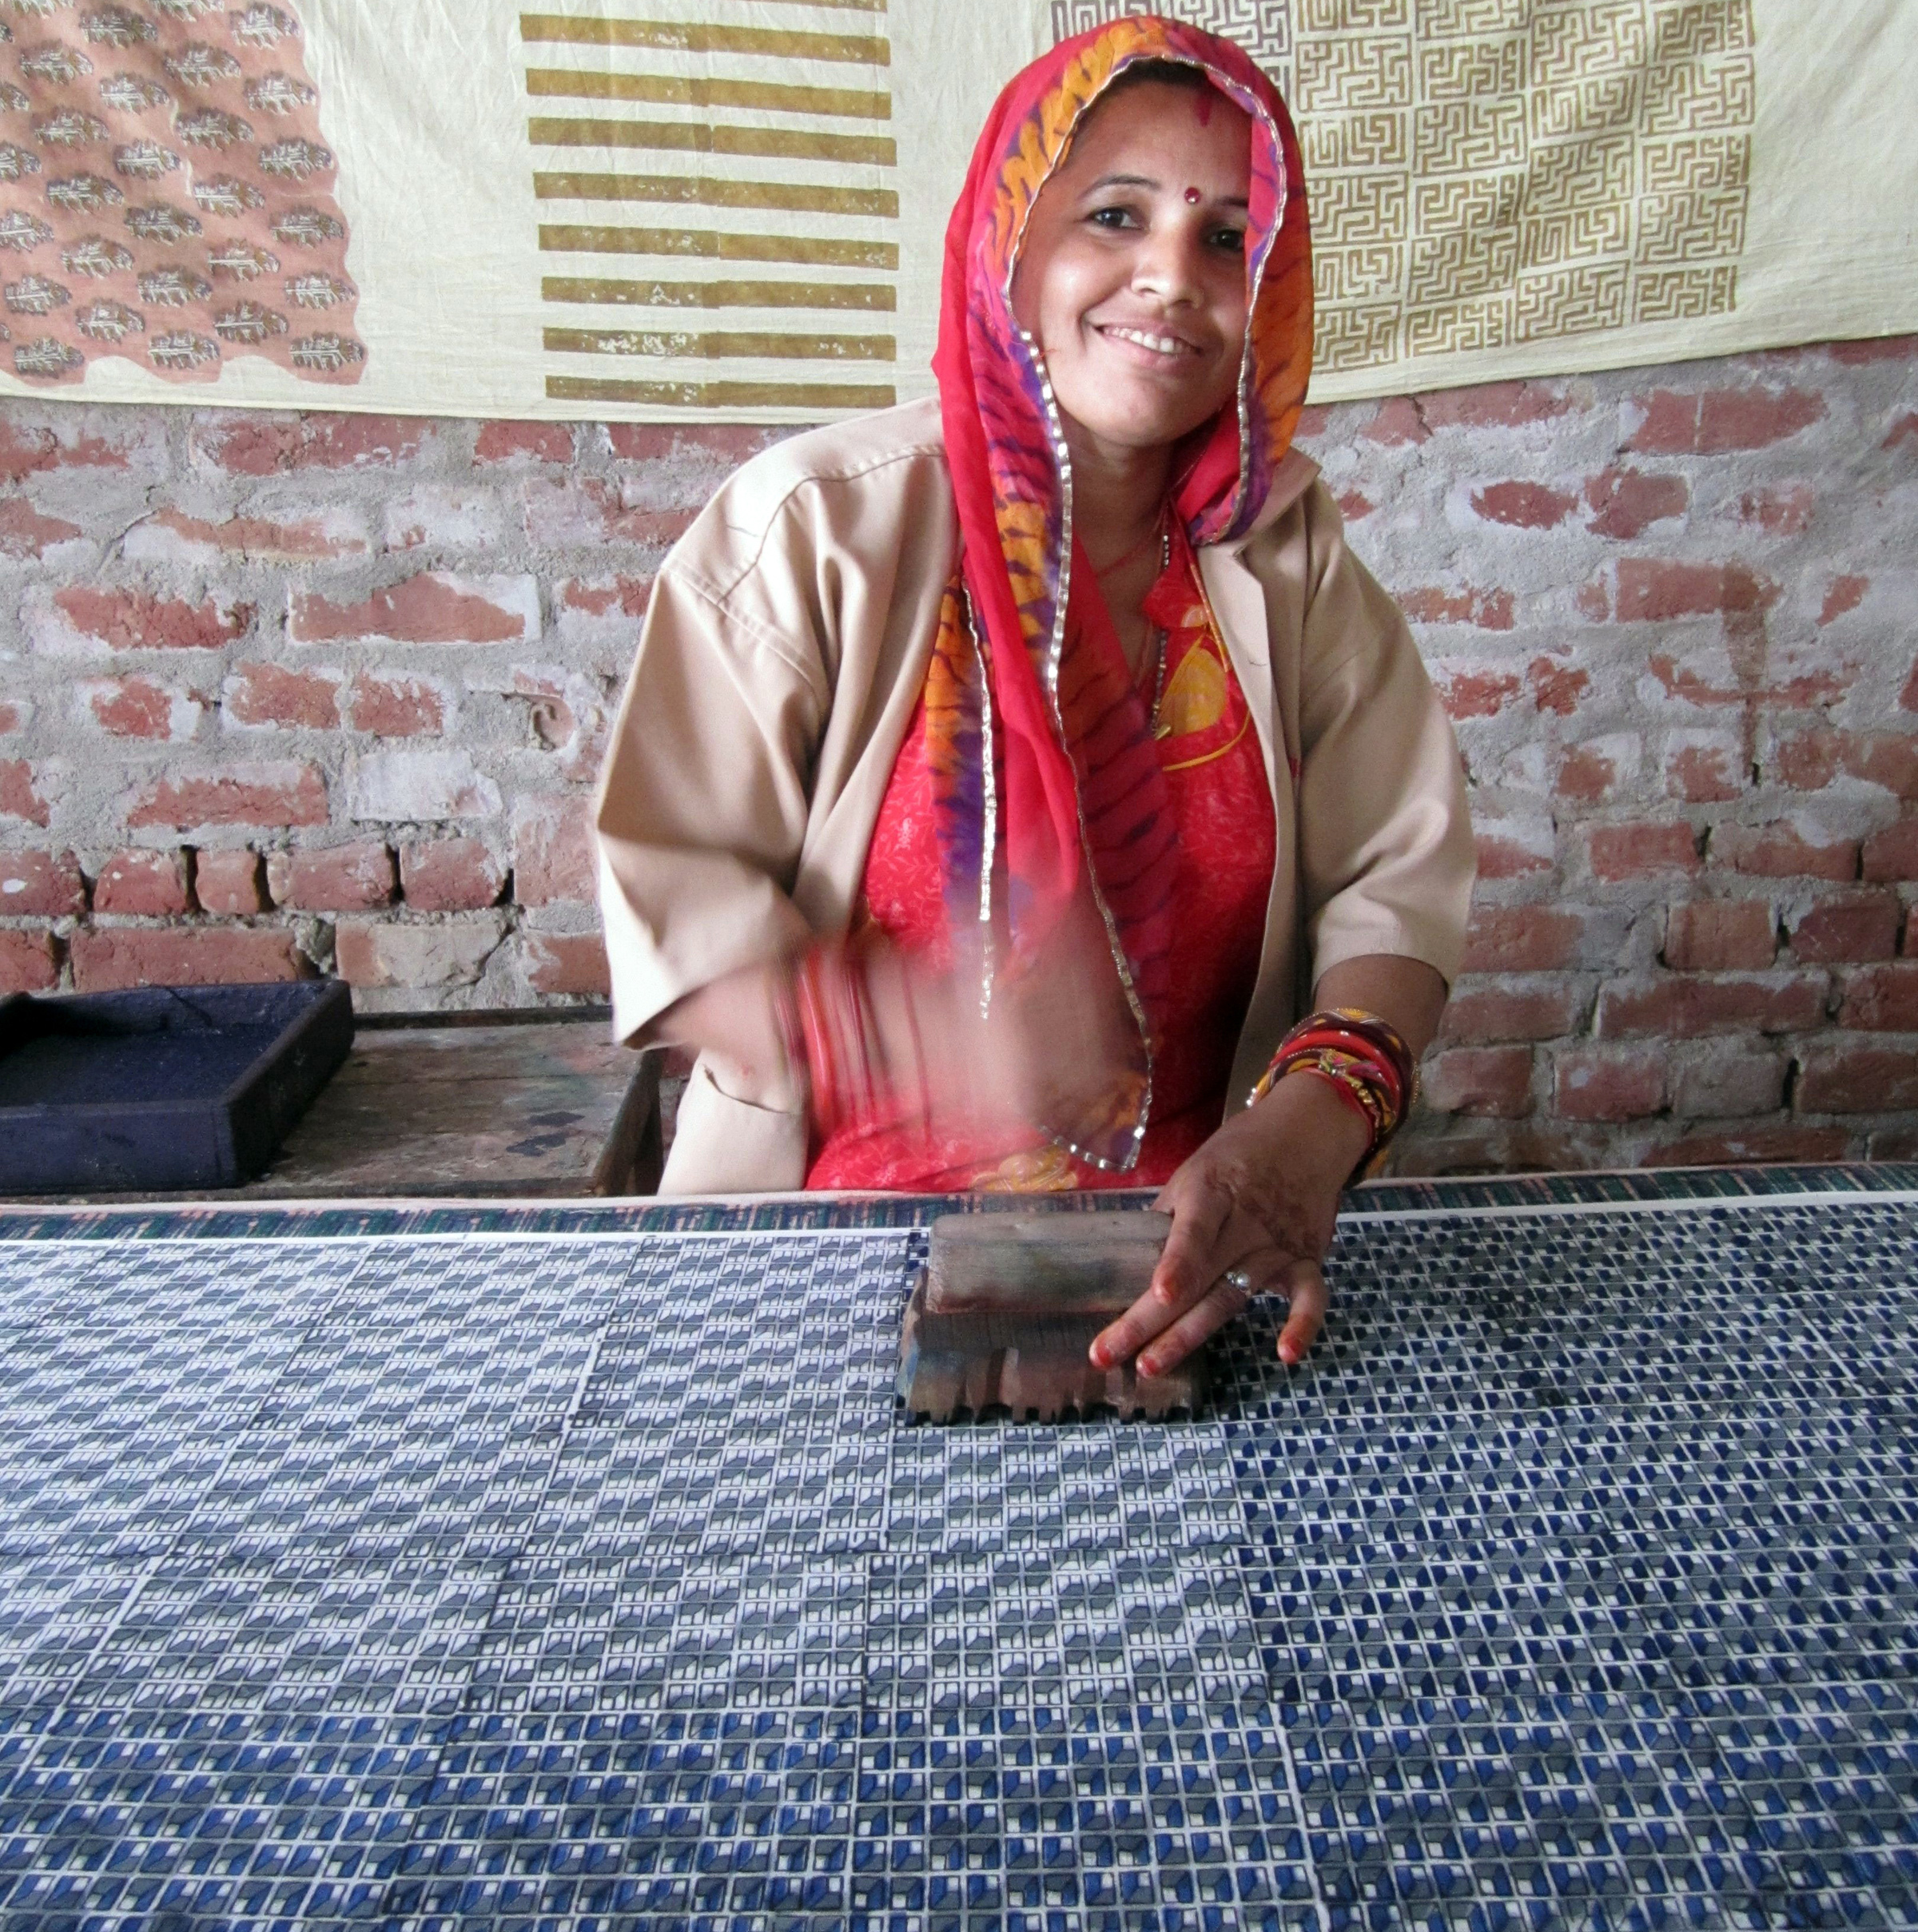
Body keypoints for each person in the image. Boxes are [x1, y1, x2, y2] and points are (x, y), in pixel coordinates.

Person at [594, 16, 1474, 1378]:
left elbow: (1394, 884)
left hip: (1189, 1272)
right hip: (809, 1274)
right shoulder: (815, 535)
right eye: (1114, 215)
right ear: (1010, 235)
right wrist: (941, 1033)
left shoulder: (1286, 562)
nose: (1171, 278)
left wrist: (1306, 1132)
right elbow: (679, 919)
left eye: (1228, 238)